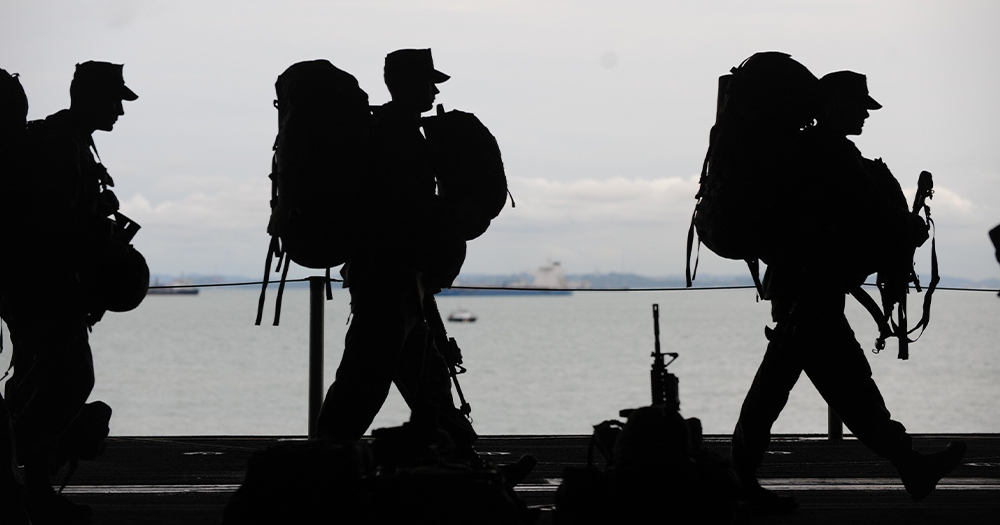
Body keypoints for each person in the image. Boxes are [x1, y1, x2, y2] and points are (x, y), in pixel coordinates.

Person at [730, 69, 966, 514]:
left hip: (804, 289)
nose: (865, 114)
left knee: (812, 389)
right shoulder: (830, 154)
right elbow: (869, 218)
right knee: (843, 390)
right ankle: (909, 464)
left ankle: (909, 465)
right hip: (810, 290)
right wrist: (912, 227)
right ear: (831, 105)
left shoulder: (811, 152)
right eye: (858, 106)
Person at [316, 49, 478, 459]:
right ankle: (321, 468)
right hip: (390, 280)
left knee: (430, 383)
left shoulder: (394, 130)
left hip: (399, 282)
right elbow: (403, 210)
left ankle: (467, 465)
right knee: (363, 384)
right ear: (407, 84)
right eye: (428, 81)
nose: (435, 89)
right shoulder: (396, 135)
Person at [2, 61, 137, 523]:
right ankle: (24, 480)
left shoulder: (72, 141)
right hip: (45, 287)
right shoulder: (62, 146)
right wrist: (104, 250)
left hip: (39, 287)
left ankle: (30, 491)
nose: (120, 109)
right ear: (89, 97)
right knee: (70, 380)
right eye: (114, 99)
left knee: (37, 383)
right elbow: (52, 226)